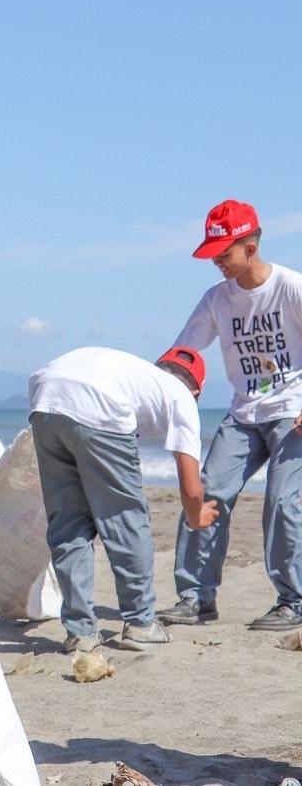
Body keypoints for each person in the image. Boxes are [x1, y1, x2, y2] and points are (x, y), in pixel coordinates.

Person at [161, 200, 302, 632]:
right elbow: (180, 354)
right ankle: (196, 598)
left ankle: (293, 601)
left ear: (251, 245)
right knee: (206, 496)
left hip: (293, 412)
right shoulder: (216, 299)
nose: (217, 263)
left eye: (224, 253)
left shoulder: (291, 287)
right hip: (243, 413)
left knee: (282, 503)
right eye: (214, 255)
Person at [28, 345, 218, 652]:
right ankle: (141, 623)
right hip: (99, 401)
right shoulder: (182, 397)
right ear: (197, 390)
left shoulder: (140, 376)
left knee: (68, 522)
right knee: (126, 520)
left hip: (45, 395)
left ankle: (81, 633)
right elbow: (192, 489)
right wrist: (198, 517)